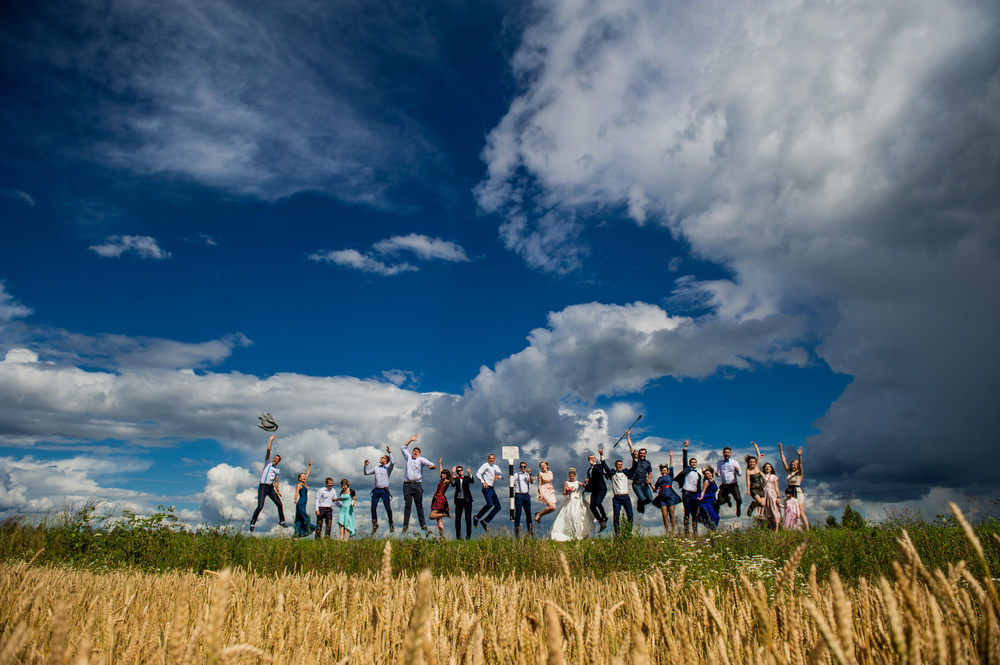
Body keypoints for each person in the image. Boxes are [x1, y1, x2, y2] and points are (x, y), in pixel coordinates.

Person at [250, 434, 287, 532]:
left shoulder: (277, 470)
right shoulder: (268, 463)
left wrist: (278, 490)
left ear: (279, 461)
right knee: (260, 506)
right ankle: (253, 522)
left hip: (271, 488)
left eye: (277, 459)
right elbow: (268, 451)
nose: (275, 459)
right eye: (274, 458)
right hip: (263, 486)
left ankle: (282, 521)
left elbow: (276, 481)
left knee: (279, 504)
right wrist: (271, 440)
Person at [400, 435, 435, 533]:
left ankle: (423, 525)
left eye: (417, 452)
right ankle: (405, 526)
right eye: (414, 451)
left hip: (417, 485)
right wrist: (411, 440)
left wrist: (431, 466)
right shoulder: (409, 458)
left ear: (419, 454)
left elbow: (429, 463)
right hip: (407, 485)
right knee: (408, 505)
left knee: (419, 505)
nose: (415, 453)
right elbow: (403, 447)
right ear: (412, 453)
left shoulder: (420, 459)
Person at [549, 468, 595, 541]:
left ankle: (580, 534)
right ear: (569, 476)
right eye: (570, 476)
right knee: (569, 515)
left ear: (574, 476)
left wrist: (582, 492)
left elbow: (585, 487)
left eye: (572, 476)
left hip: (577, 500)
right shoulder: (566, 483)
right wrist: (568, 491)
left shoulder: (577, 482)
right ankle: (568, 533)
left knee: (578, 515)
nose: (571, 477)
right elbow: (563, 492)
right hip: (570, 499)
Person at [778, 443, 811, 531]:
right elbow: (783, 462)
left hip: (797, 491)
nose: (793, 466)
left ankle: (807, 529)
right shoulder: (789, 472)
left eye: (794, 465)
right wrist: (780, 451)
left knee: (800, 511)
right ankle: (792, 528)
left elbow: (800, 465)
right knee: (789, 510)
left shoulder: (799, 473)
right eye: (792, 465)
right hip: (789, 491)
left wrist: (799, 456)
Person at [364, 446, 396, 533]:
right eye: (382, 457)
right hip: (376, 490)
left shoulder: (388, 469)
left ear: (385, 461)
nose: (381, 458)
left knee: (388, 508)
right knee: (373, 508)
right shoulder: (376, 468)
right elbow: (366, 473)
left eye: (383, 458)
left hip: (384, 490)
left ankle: (391, 523)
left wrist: (390, 453)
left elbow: (393, 462)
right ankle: (375, 523)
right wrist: (365, 465)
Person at [602, 456, 635, 534]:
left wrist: (635, 459)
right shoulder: (613, 474)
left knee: (630, 516)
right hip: (617, 498)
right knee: (616, 516)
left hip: (626, 497)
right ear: (615, 466)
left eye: (621, 464)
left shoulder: (626, 473)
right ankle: (617, 532)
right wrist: (602, 456)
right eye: (618, 464)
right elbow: (605, 467)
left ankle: (628, 532)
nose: (620, 466)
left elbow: (634, 467)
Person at [675, 440, 701, 535]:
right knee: (687, 512)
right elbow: (684, 459)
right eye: (692, 462)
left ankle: (695, 531)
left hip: (695, 494)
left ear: (696, 464)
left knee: (695, 513)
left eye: (695, 462)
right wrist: (685, 448)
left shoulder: (698, 474)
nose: (693, 463)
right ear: (690, 464)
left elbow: (699, 486)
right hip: (687, 494)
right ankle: (686, 531)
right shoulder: (687, 470)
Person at [624, 430, 654, 514]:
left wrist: (649, 479)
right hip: (636, 484)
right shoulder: (636, 459)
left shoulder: (647, 463)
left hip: (645, 484)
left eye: (643, 453)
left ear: (646, 454)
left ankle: (640, 504)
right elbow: (631, 446)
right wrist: (627, 436)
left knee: (650, 499)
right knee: (642, 498)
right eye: (640, 453)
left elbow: (650, 473)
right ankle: (640, 502)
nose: (641, 455)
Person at [652, 453, 682, 534]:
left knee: (671, 515)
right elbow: (655, 488)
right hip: (662, 498)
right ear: (661, 471)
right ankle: (667, 532)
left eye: (665, 470)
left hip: (670, 496)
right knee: (664, 516)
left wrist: (671, 457)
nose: (664, 471)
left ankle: (673, 531)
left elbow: (672, 466)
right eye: (662, 470)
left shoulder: (670, 476)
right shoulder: (659, 479)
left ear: (667, 470)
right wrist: (649, 483)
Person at [474, 454, 503, 533]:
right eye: (490, 458)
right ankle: (476, 517)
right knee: (490, 504)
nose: (491, 459)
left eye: (492, 458)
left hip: (492, 489)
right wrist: (483, 482)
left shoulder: (495, 467)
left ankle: (485, 521)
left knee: (498, 507)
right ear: (488, 459)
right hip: (486, 487)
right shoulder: (485, 465)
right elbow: (478, 474)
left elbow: (502, 474)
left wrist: (498, 477)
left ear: (494, 459)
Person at [584, 449, 609, 532]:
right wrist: (587, 482)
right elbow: (591, 480)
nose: (592, 459)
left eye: (593, 458)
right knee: (592, 506)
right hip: (594, 490)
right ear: (588, 460)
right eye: (590, 459)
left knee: (598, 503)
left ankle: (604, 516)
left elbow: (600, 473)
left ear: (595, 459)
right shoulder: (588, 470)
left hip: (601, 488)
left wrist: (594, 465)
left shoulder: (599, 466)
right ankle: (601, 521)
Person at [714, 446, 742, 517]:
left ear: (730, 453)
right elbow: (719, 473)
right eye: (725, 452)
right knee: (719, 502)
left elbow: (740, 474)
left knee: (738, 499)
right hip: (724, 485)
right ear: (723, 453)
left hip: (733, 484)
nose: (726, 454)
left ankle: (738, 508)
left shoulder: (735, 462)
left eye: (728, 452)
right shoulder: (719, 463)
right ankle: (727, 499)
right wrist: (717, 474)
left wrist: (737, 470)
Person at [428, 459, 452, 539]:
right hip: (437, 499)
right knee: (439, 520)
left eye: (444, 474)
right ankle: (442, 537)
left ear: (447, 475)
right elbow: (441, 471)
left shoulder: (446, 481)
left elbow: (450, 481)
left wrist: (452, 474)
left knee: (431, 516)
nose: (442, 475)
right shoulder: (442, 480)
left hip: (439, 499)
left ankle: (444, 514)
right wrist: (440, 463)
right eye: (442, 474)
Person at [451, 465, 476, 540]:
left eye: (461, 470)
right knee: (458, 519)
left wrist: (470, 473)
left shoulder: (466, 477)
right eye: (458, 471)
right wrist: (452, 474)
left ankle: (468, 535)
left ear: (463, 470)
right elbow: (452, 484)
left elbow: (472, 481)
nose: (460, 472)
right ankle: (458, 536)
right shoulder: (456, 478)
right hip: (459, 500)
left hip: (467, 500)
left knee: (468, 518)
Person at [292, 459, 314, 537]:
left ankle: (297, 533)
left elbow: (307, 473)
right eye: (302, 476)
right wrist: (295, 500)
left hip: (304, 503)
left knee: (299, 518)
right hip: (300, 503)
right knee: (304, 516)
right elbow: (296, 492)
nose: (304, 477)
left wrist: (309, 465)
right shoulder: (299, 484)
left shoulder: (305, 484)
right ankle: (310, 527)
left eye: (304, 476)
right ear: (299, 478)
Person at [512, 461, 534, 536]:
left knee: (528, 513)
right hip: (519, 494)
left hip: (526, 495)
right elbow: (511, 482)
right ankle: (517, 529)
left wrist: (530, 473)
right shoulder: (516, 474)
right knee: (518, 513)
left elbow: (532, 482)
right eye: (521, 466)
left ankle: (530, 530)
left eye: (524, 466)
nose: (523, 468)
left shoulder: (527, 474)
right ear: (519, 467)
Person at [745, 443, 766, 519]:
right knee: (759, 501)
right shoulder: (748, 471)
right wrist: (748, 491)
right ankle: (751, 508)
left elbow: (758, 455)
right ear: (748, 463)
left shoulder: (757, 467)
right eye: (751, 462)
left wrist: (755, 446)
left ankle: (753, 504)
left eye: (753, 462)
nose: (752, 463)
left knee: (763, 504)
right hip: (753, 489)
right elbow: (748, 481)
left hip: (760, 488)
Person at [534, 461, 557, 526]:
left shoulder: (550, 473)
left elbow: (551, 482)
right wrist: (540, 493)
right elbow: (539, 485)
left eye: (544, 465)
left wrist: (552, 490)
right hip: (544, 490)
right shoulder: (540, 474)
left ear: (546, 466)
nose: (543, 467)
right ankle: (539, 515)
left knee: (554, 508)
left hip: (551, 490)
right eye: (541, 466)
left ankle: (539, 514)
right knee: (551, 506)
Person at [760, 462, 781, 531]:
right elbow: (756, 468)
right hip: (765, 493)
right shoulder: (762, 475)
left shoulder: (773, 476)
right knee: (767, 511)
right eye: (766, 466)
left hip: (772, 493)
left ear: (771, 468)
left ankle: (776, 530)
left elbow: (776, 487)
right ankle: (771, 528)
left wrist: (778, 496)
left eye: (769, 466)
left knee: (774, 509)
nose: (767, 468)